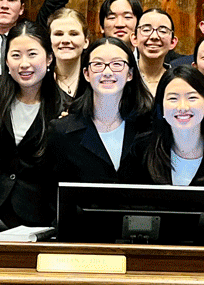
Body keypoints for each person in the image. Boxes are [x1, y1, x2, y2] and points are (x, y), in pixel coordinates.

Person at [0, 21, 63, 231]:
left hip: (36, 216)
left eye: (32, 54)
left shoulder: (64, 107)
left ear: (49, 58)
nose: (24, 64)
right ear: (5, 60)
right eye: (16, 55)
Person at [48, 38, 151, 186]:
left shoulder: (147, 128)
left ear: (130, 74)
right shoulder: (61, 132)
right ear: (86, 74)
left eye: (117, 64)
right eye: (98, 64)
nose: (107, 72)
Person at [122, 66, 204, 187]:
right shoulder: (142, 149)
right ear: (161, 106)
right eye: (173, 98)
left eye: (192, 97)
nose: (183, 107)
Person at [46, 8, 89, 102]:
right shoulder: (41, 81)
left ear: (86, 42)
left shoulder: (94, 79)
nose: (65, 40)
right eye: (58, 34)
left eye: (73, 34)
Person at [134, 8, 179, 96]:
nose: (154, 36)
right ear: (134, 38)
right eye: (146, 30)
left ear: (173, 42)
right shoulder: (123, 77)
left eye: (163, 31)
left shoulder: (179, 81)